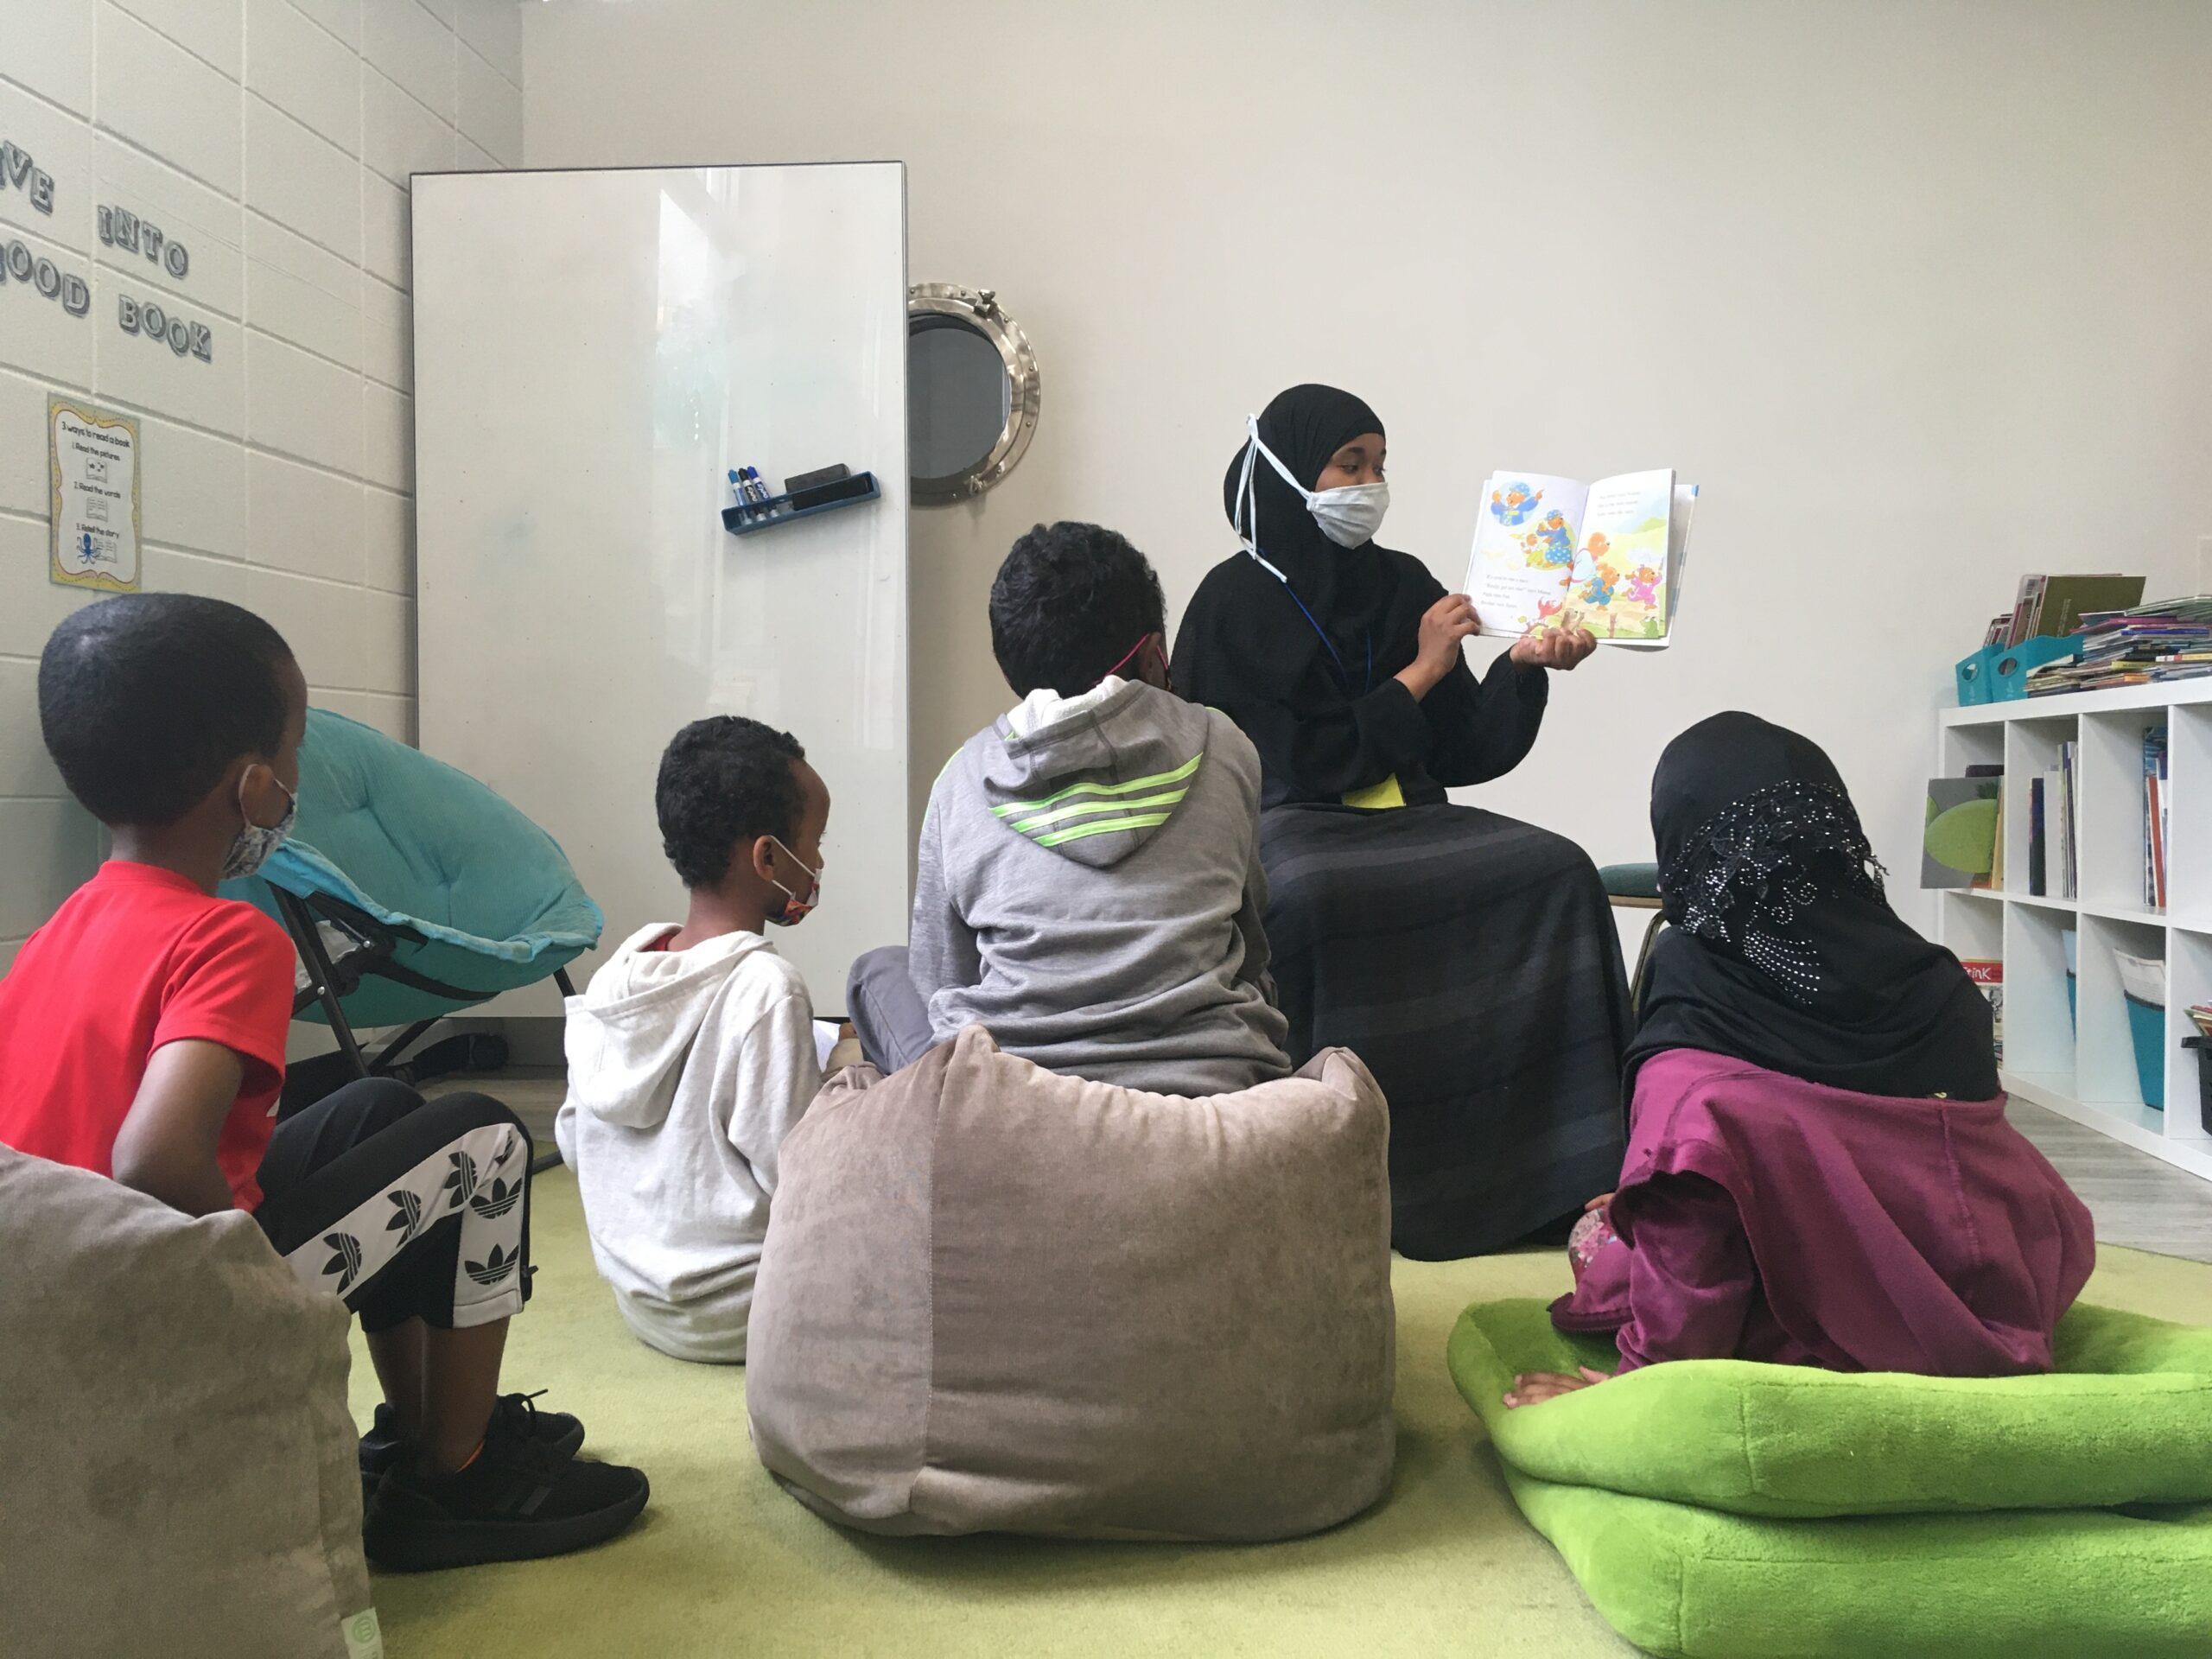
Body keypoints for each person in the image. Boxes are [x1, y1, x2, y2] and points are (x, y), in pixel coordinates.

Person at [0, 594, 648, 1572]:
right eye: (296, 753)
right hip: (161, 1314)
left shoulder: (53, 937)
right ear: (256, 790)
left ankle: (411, 1433)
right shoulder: (225, 934)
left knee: (380, 1111)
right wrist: (260, 1303)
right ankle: (462, 1478)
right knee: (485, 1140)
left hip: (63, 1306)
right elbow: (155, 1155)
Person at [1505, 713, 2094, 1406]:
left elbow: (1696, 1265)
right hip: (1983, 1311)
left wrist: (1641, 1385)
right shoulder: (1942, 989)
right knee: (1669, 1184)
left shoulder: (1696, 1025)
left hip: (1808, 1338)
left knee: (1601, 1232)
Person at [1172, 384, 1627, 1258]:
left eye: (1378, 465)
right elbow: (1288, 763)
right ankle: (1320, 1183)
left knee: (1557, 870)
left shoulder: (1399, 583)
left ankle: (1562, 1180)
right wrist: (1418, 671)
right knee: (1305, 895)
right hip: (1291, 818)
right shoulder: (1231, 602)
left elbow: (1458, 750)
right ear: (1289, 471)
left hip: (1408, 818)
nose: (1370, 484)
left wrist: (1524, 667)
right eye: (1351, 464)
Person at [848, 520, 1293, 1095]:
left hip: (1017, 1104)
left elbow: (944, 985)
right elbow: (1251, 941)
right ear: (1155, 653)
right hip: (1210, 1083)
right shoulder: (1223, 743)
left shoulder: (961, 779)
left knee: (876, 971)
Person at [555, 716, 831, 1363]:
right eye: (814, 844)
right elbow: (799, 1178)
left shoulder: (620, 973)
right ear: (768, 857)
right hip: (751, 1310)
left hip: (642, 1300)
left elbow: (575, 1138)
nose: (817, 863)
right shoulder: (767, 988)